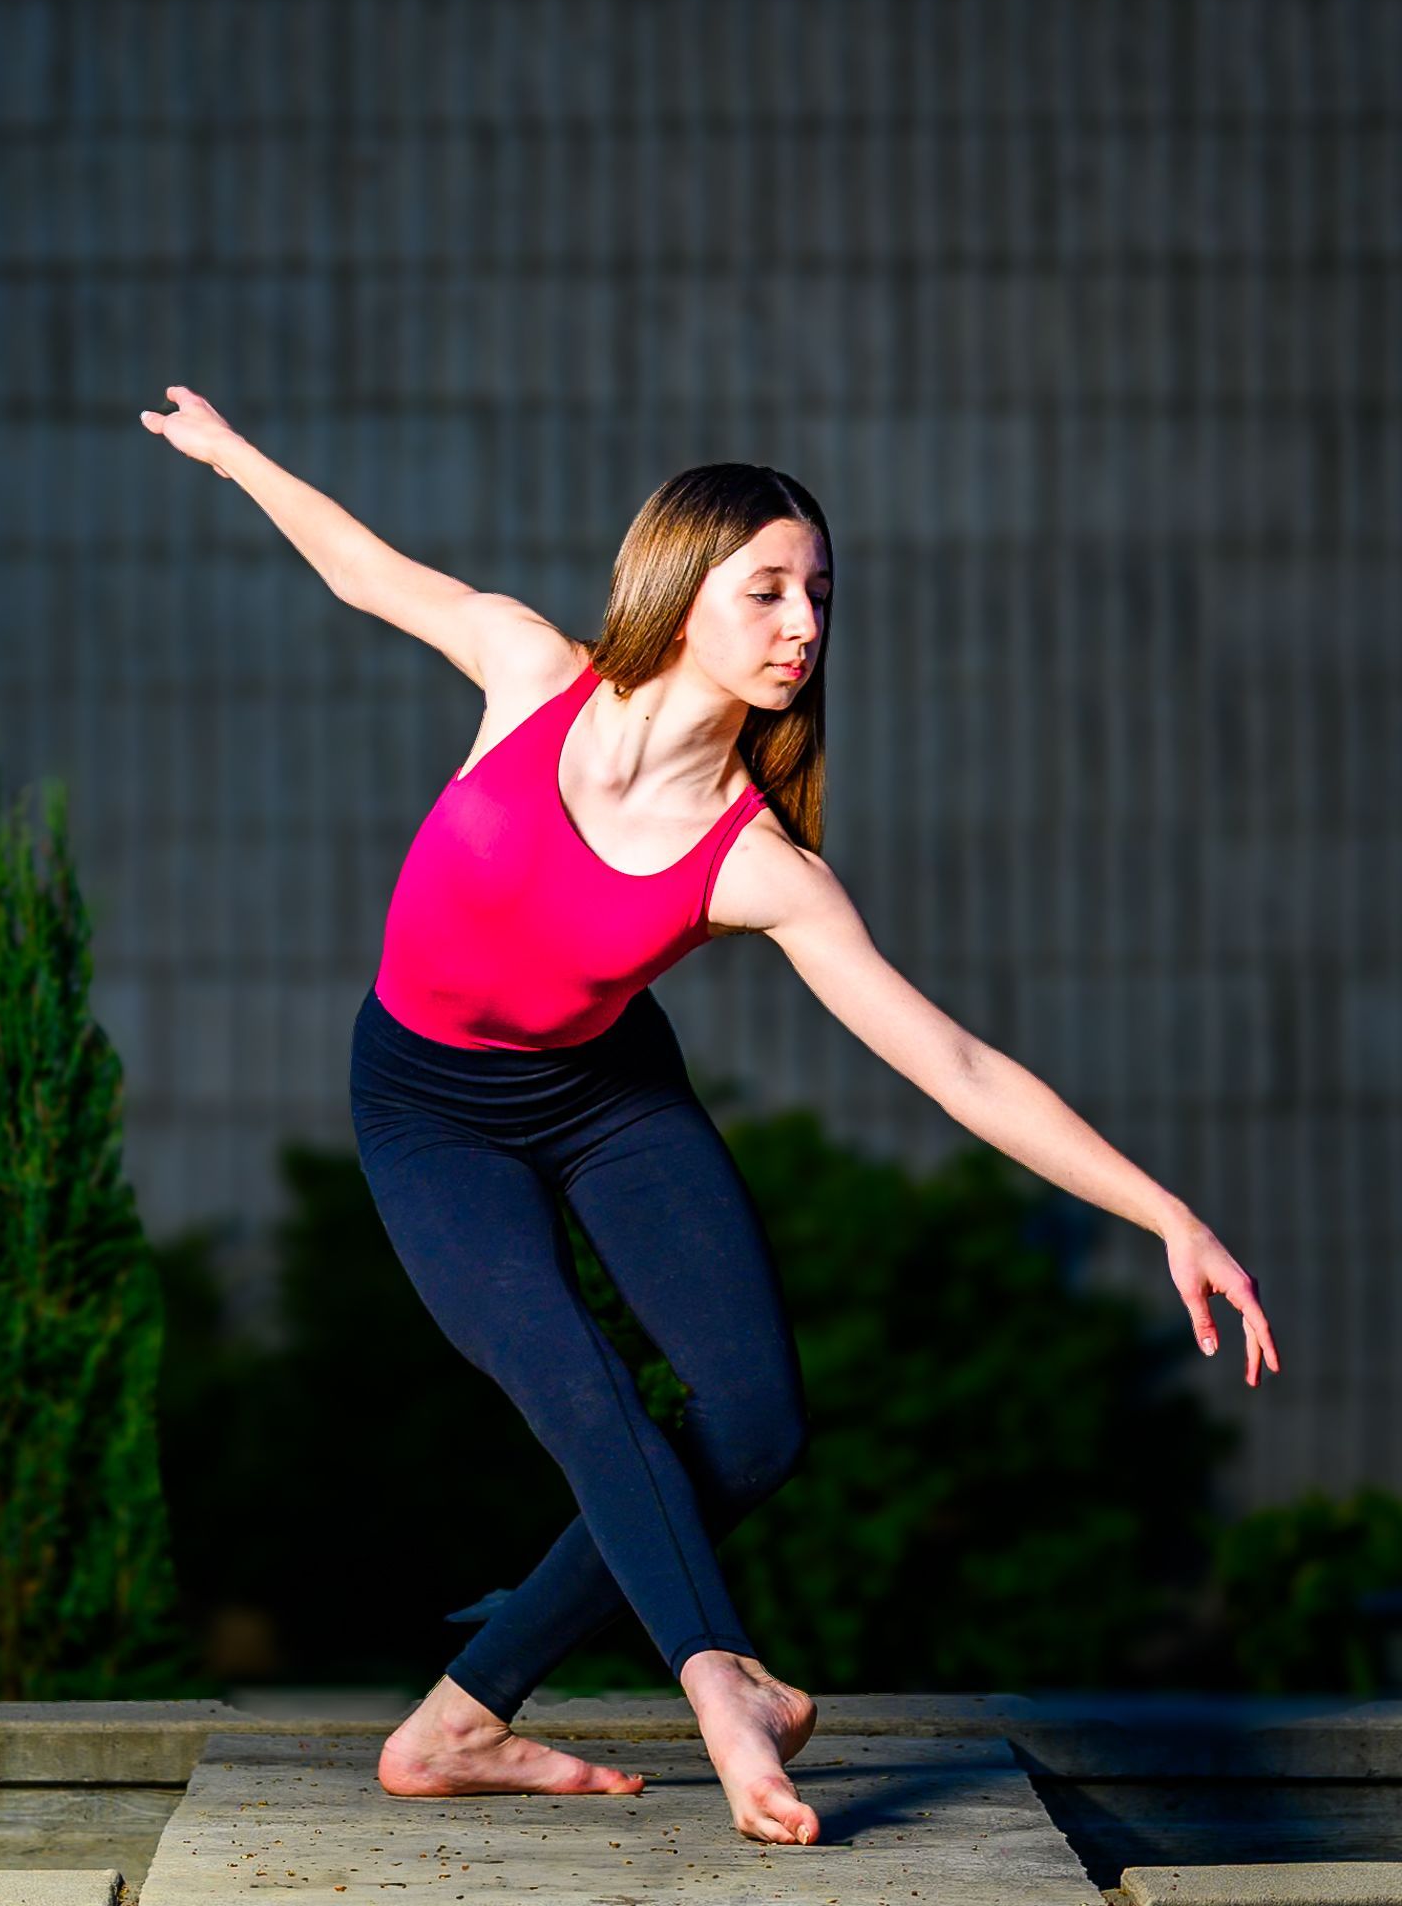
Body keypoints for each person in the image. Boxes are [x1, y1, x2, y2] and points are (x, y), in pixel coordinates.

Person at [140, 385, 1281, 1848]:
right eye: (767, 589)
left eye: (819, 593)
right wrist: (237, 456)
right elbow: (364, 570)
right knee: (584, 1392)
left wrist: (1167, 1215)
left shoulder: (761, 866)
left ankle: (456, 1720)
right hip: (430, 1112)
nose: (803, 622)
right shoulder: (526, 671)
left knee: (757, 1421)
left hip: (608, 1098)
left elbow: (959, 1066)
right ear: (680, 590)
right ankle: (719, 1680)